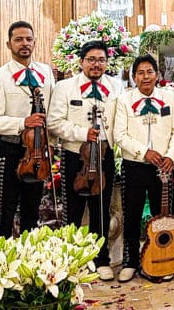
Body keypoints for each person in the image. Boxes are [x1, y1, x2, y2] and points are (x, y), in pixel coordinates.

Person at [47, 40, 123, 281]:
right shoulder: (65, 87)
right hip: (75, 156)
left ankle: (101, 259)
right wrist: (82, 134)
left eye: (101, 60)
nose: (96, 64)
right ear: (81, 62)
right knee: (73, 210)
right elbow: (54, 123)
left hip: (104, 155)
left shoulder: (117, 86)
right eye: (91, 59)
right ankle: (72, 258)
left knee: (101, 208)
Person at [113, 54, 174, 283]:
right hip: (134, 166)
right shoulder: (124, 100)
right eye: (140, 73)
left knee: (162, 215)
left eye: (149, 72)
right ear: (134, 77)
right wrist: (144, 152)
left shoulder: (169, 98)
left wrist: (170, 155)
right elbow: (119, 135)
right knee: (131, 215)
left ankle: (164, 256)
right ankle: (131, 262)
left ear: (158, 75)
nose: (145, 77)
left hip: (162, 167)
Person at [0, 20, 55, 237]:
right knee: (6, 209)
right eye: (18, 39)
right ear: (8, 44)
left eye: (29, 39)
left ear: (34, 42)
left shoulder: (46, 72)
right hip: (11, 149)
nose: (24, 43)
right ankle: (2, 260)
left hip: (39, 151)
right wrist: (23, 123)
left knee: (33, 209)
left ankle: (29, 257)